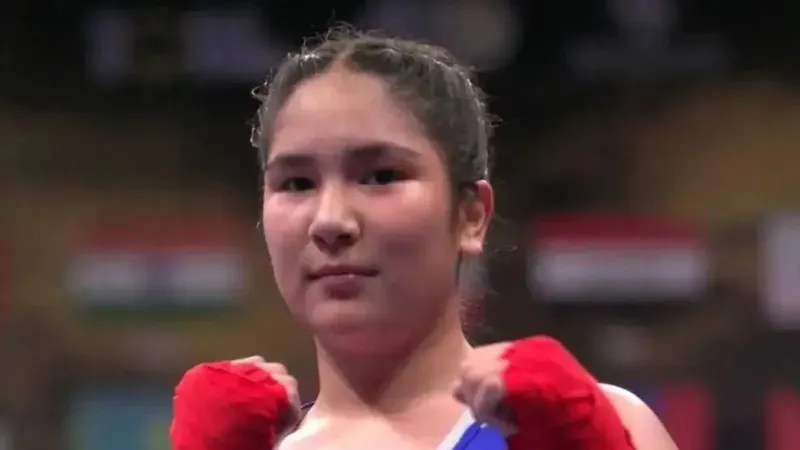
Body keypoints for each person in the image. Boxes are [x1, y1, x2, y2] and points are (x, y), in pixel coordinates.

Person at [170, 27, 678, 450]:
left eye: (380, 176)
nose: (329, 220)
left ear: (471, 216)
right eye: (297, 183)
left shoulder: (607, 424)